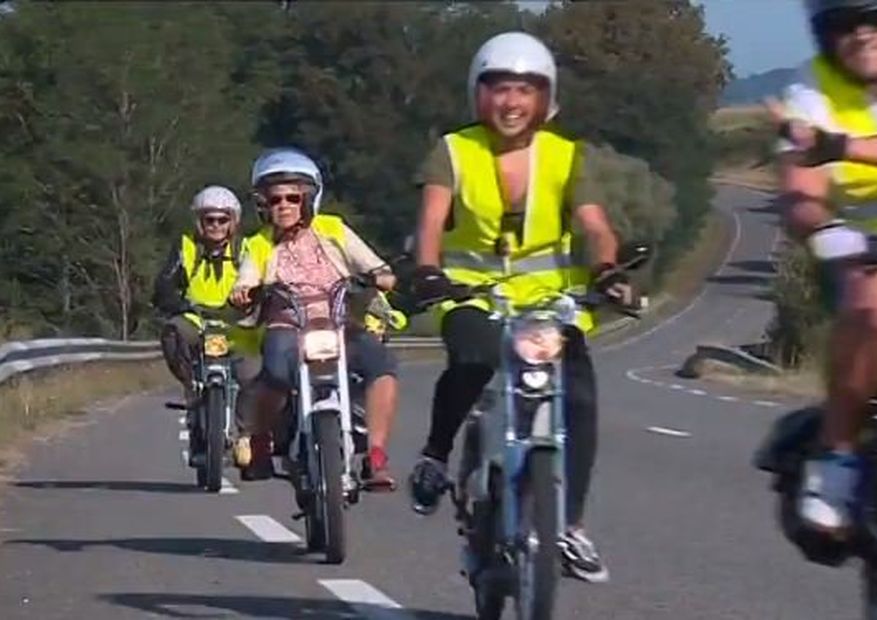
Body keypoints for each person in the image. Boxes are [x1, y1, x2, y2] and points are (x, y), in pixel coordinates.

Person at [406, 32, 635, 583]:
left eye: (525, 90)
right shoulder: (453, 150)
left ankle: (569, 525)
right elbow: (432, 221)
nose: (511, 102)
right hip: (469, 294)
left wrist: (607, 269)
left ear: (545, 98)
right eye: (499, 89)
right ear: (478, 95)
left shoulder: (565, 156)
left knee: (577, 393)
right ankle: (437, 456)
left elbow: (596, 226)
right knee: (475, 360)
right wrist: (430, 271)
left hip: (549, 303)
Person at [771, 0, 877, 534]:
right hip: (867, 252)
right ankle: (836, 455)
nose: (863, 34)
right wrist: (820, 228)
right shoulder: (810, 92)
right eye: (845, 24)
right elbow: (800, 189)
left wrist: (841, 147)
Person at [229, 147, 401, 490]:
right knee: (274, 372)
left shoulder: (334, 229)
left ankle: (377, 455)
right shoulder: (257, 244)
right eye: (274, 199)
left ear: (310, 198)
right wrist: (244, 290)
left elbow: (375, 266)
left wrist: (381, 276)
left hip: (339, 323)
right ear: (261, 203)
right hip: (287, 326)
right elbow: (246, 277)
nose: (283, 206)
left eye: (293, 197)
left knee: (382, 364)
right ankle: (261, 442)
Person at [153, 185, 258, 412]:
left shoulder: (246, 248)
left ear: (233, 221)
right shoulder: (186, 247)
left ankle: (248, 430)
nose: (216, 226)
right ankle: (191, 385)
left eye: (222, 220)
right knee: (173, 333)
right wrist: (175, 303)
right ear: (199, 221)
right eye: (209, 220)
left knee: (254, 372)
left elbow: (261, 282)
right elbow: (165, 282)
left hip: (237, 323)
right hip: (196, 319)